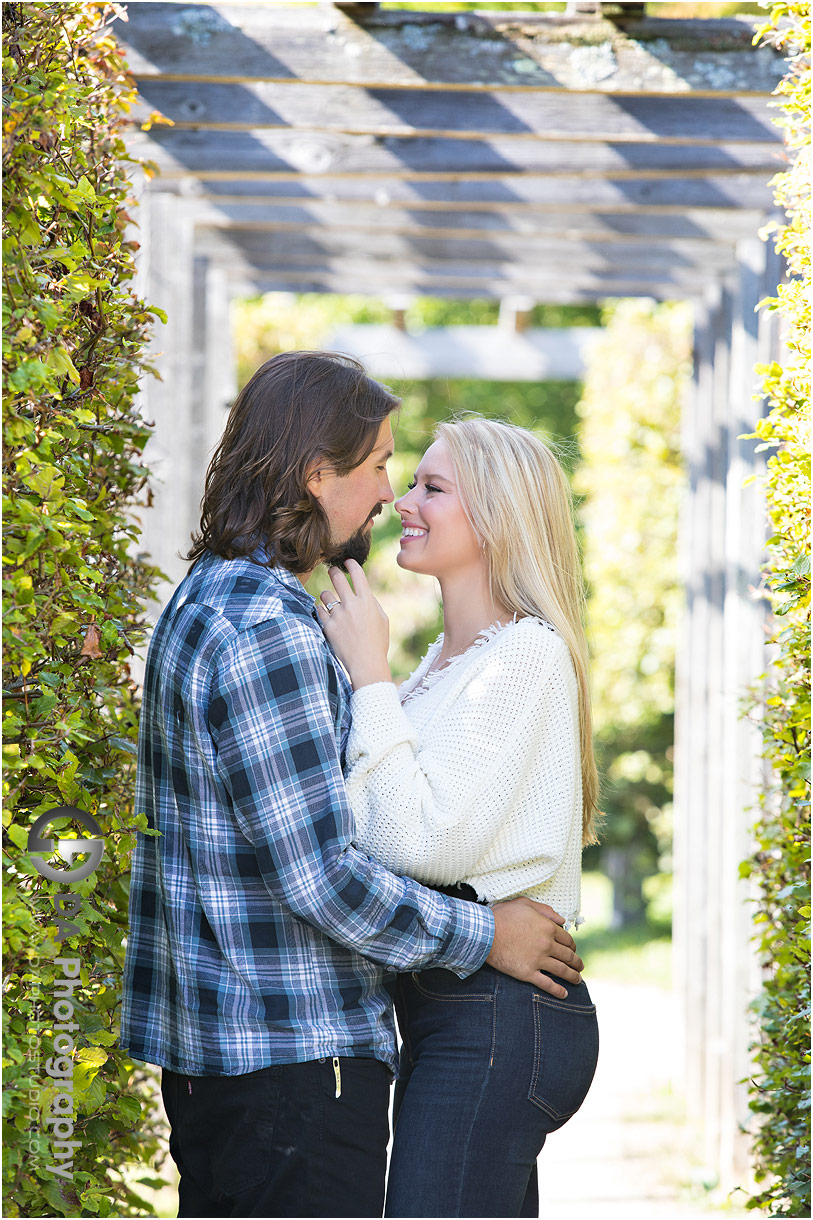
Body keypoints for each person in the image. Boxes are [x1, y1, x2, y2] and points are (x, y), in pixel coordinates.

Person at [119, 353, 584, 1220]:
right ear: (314, 473)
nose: (387, 495)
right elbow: (323, 874)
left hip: (253, 1050)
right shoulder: (269, 628)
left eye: (418, 482)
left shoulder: (215, 600)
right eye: (379, 468)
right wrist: (483, 933)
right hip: (291, 1055)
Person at [318, 416, 601, 1219]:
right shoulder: (442, 668)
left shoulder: (525, 654)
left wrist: (366, 673)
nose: (402, 500)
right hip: (458, 1008)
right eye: (411, 481)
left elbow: (415, 838)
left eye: (432, 488)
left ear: (499, 516)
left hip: (499, 1014)